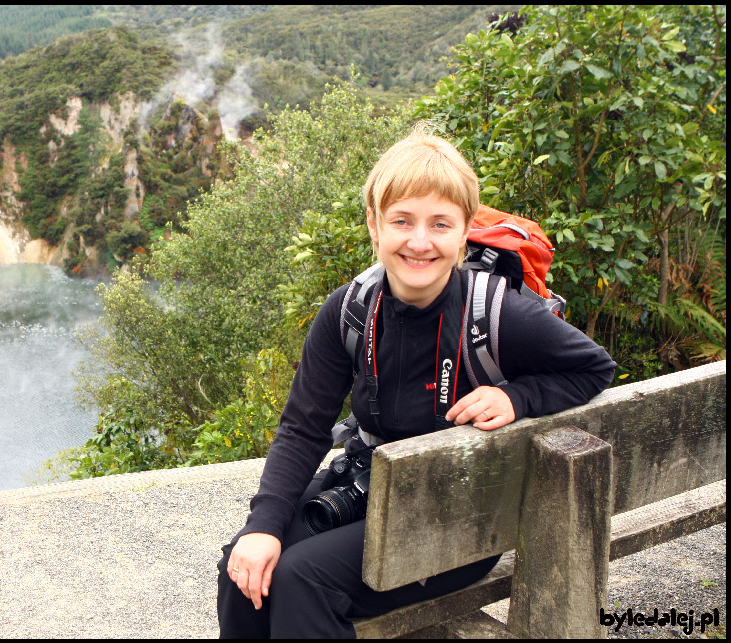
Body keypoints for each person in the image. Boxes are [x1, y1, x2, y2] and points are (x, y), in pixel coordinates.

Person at [216, 128, 617, 638]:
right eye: (401, 220)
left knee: (302, 579)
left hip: (459, 519)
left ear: (465, 231)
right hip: (371, 488)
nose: (420, 241)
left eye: (440, 224)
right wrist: (264, 525)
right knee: (244, 563)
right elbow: (303, 427)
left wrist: (516, 396)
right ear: (374, 225)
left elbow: (594, 366)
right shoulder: (352, 310)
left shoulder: (495, 315)